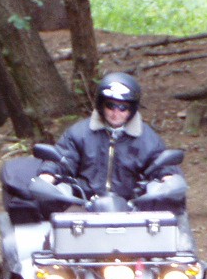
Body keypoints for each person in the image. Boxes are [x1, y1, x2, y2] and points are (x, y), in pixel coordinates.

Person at [39, 72, 182, 201]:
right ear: (101, 105)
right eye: (110, 105)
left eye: (123, 107)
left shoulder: (147, 138)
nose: (115, 113)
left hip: (133, 207)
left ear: (132, 109)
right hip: (84, 205)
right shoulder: (79, 133)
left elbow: (160, 163)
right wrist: (48, 174)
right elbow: (62, 159)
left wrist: (167, 177)